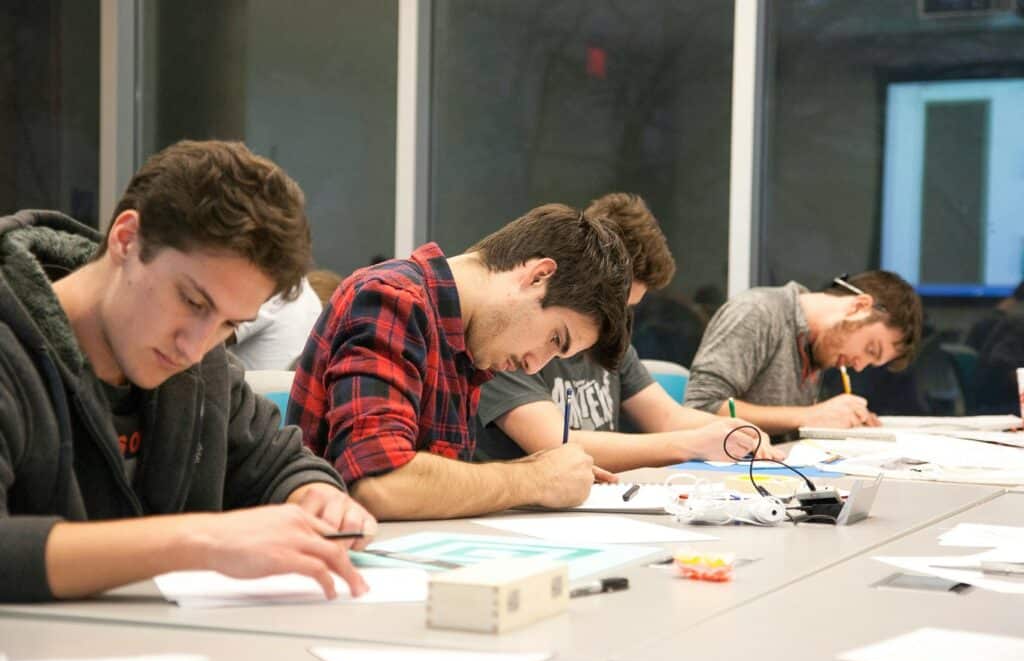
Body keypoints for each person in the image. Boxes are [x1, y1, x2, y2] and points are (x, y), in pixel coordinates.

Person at [0, 140, 373, 603]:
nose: (196, 347)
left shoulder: (202, 369)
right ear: (126, 239)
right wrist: (201, 542)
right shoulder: (9, 347)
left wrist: (317, 496)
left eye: (229, 324)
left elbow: (279, 463)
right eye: (193, 302)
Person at [288, 204, 632, 520]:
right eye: (555, 338)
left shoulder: (470, 342)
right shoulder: (392, 299)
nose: (534, 365)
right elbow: (380, 485)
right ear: (538, 276)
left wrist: (543, 469)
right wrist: (535, 479)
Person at [474, 193, 780, 471]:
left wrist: (736, 432)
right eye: (612, 306)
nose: (614, 323)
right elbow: (555, 442)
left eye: (626, 310)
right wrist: (692, 443)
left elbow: (667, 418)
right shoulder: (512, 344)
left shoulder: (609, 345)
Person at [684, 271, 923, 437]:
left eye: (872, 363)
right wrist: (811, 415)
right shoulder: (758, 313)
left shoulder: (820, 347)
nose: (859, 366)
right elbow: (700, 407)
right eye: (870, 349)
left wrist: (842, 420)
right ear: (859, 307)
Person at [227, 276, 322, 370]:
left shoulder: (278, 294)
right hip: (280, 382)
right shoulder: (312, 299)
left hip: (255, 383)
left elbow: (216, 336)